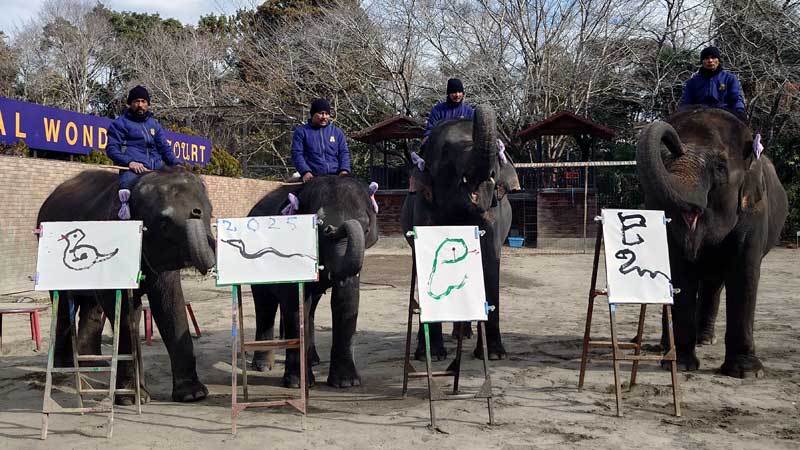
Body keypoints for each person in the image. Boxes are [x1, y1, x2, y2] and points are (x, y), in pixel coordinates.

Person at [106, 85, 179, 219]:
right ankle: (122, 217)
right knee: (125, 191)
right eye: (136, 101)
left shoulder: (154, 124)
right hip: (133, 170)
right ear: (130, 104)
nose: (140, 105)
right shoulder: (120, 123)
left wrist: (177, 165)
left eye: (143, 101)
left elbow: (164, 147)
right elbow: (112, 149)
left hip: (157, 168)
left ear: (148, 104)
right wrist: (130, 162)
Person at [291, 98, 350, 183]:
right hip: (313, 178)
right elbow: (297, 154)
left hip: (336, 176)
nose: (324, 117)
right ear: (313, 114)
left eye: (327, 114)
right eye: (321, 113)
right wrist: (305, 171)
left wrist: (344, 170)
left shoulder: (337, 132)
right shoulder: (301, 131)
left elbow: (344, 153)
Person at [679, 46, 746, 120]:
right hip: (699, 117)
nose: (710, 61)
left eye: (713, 57)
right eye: (707, 58)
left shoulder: (730, 79)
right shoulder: (692, 82)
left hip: (725, 116)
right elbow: (686, 103)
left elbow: (736, 99)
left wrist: (740, 111)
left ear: (719, 60)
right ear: (702, 61)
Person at [422, 78, 475, 146]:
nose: (457, 95)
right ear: (448, 93)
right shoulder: (438, 110)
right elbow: (430, 130)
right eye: (454, 92)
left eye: (459, 92)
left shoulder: (469, 111)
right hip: (441, 147)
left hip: (464, 148)